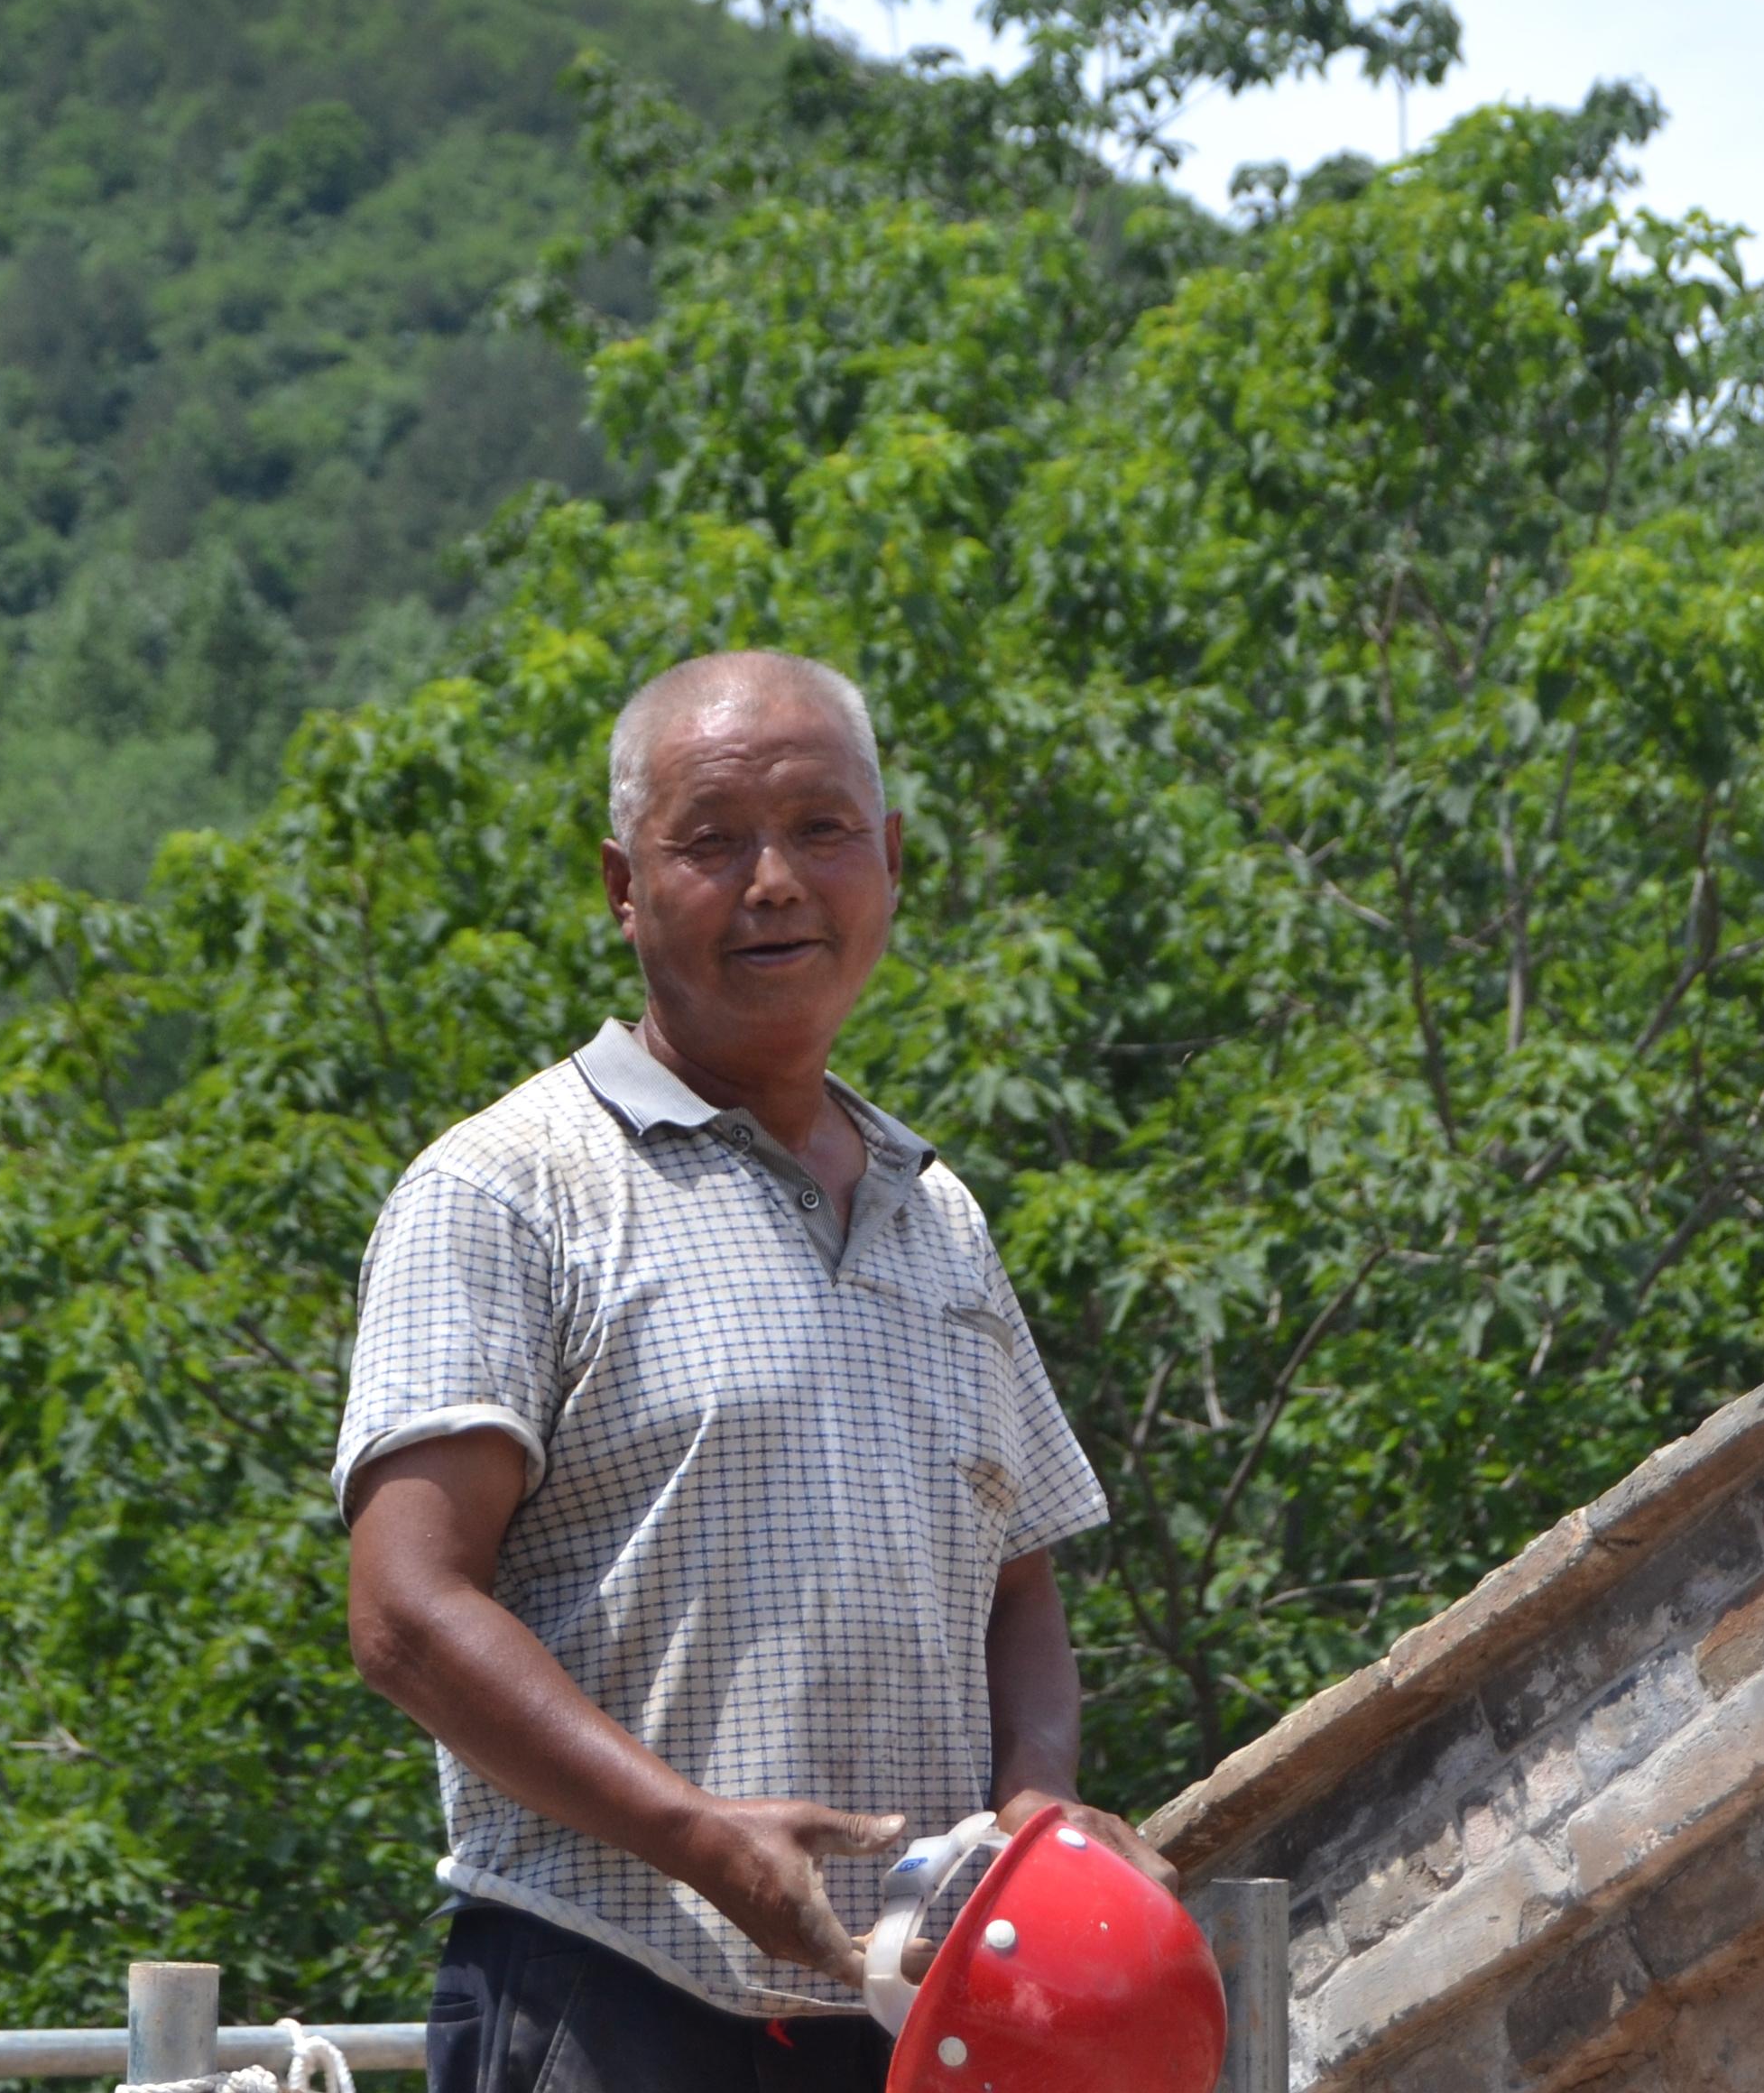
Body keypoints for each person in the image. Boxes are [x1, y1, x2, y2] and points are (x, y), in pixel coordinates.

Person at [335, 650, 1168, 2093]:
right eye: (711, 842)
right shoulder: (510, 1188)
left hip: (930, 2023)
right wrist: (700, 1837)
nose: (773, 880)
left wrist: (1042, 1817)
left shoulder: (938, 1214)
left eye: (822, 831)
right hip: (615, 1996)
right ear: (622, 886)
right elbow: (406, 1612)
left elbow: (1019, 1579)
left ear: (892, 862)